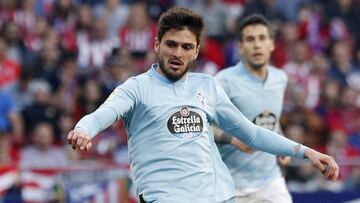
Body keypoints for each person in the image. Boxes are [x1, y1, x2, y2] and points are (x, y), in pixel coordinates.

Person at [67, 7, 339, 203]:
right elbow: (102, 113)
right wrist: (83, 129)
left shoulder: (207, 86)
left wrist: (306, 152)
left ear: (196, 51)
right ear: (157, 44)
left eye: (186, 47)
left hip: (219, 196)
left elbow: (252, 133)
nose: (177, 53)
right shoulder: (137, 87)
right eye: (171, 45)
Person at [214, 14, 294, 203]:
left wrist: (281, 145)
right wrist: (233, 140)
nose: (257, 45)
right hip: (232, 185)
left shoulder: (280, 78)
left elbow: (271, 121)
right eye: (250, 39)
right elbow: (202, 126)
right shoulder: (222, 81)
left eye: (262, 38)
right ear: (240, 46)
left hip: (271, 182)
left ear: (272, 44)